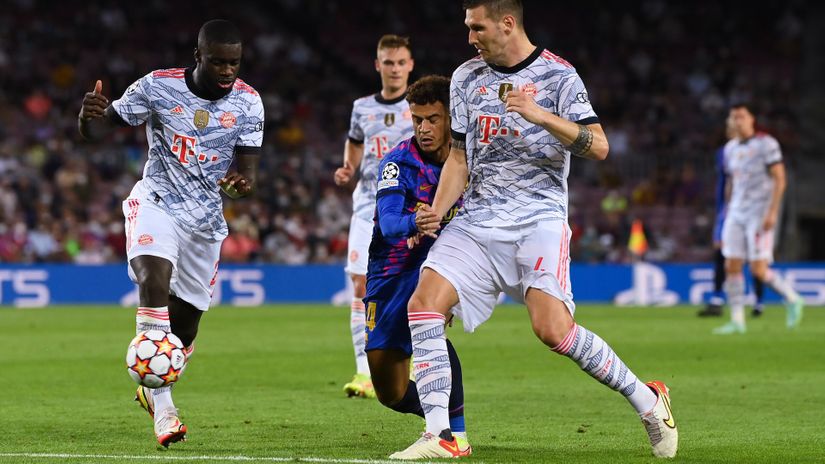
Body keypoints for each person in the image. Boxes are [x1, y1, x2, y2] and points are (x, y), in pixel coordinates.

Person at [389, 0, 677, 459]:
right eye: (468, 28)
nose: (470, 37)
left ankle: (647, 398)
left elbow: (599, 146)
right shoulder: (465, 78)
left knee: (553, 331)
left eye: (477, 28)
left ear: (507, 23)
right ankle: (441, 435)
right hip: (477, 219)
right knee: (423, 305)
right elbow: (459, 158)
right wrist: (437, 213)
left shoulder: (559, 76)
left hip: (537, 219)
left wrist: (539, 114)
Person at [78, 19, 264, 446]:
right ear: (198, 56)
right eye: (217, 61)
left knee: (186, 327)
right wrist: (88, 119)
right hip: (157, 201)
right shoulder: (158, 86)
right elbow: (100, 128)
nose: (226, 70)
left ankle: (151, 387)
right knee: (153, 278)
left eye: (233, 63)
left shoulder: (250, 103)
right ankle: (164, 409)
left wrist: (240, 185)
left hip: (205, 222)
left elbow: (248, 176)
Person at [363, 75, 471, 457]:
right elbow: (390, 223)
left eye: (433, 119)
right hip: (389, 275)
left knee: (431, 326)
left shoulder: (468, 162)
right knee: (389, 392)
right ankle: (437, 409)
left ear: (451, 118)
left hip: (438, 266)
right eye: (417, 119)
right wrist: (416, 222)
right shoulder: (398, 163)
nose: (423, 128)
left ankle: (452, 432)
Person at [333, 35, 415, 399]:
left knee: (412, 287)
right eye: (388, 62)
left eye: (400, 62)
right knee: (360, 284)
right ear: (377, 65)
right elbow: (354, 141)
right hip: (368, 204)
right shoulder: (362, 107)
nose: (394, 69)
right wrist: (349, 167)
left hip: (408, 206)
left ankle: (412, 361)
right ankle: (364, 372)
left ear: (410, 66)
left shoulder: (419, 106)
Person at [713, 103, 804, 334]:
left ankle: (793, 298)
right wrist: (726, 212)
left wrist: (773, 212)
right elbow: (732, 181)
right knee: (731, 265)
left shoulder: (767, 144)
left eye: (741, 116)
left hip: (759, 213)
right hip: (736, 212)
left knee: (758, 269)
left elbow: (780, 179)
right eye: (733, 117)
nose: (737, 121)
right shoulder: (730, 148)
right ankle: (737, 321)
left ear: (752, 118)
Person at [699, 119, 765, 317]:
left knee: (754, 258)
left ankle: (758, 302)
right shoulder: (726, 151)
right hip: (729, 210)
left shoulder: (756, 151)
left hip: (749, 210)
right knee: (722, 253)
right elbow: (728, 181)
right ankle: (718, 299)